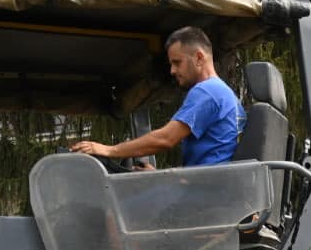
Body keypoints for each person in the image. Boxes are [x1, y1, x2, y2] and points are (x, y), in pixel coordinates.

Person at [70, 27, 246, 168]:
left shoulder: (207, 91)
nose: (172, 71)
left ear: (199, 57)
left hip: (207, 198)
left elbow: (165, 139)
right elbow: (212, 159)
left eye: (177, 62)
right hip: (212, 190)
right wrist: (157, 176)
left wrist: (108, 150)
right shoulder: (225, 94)